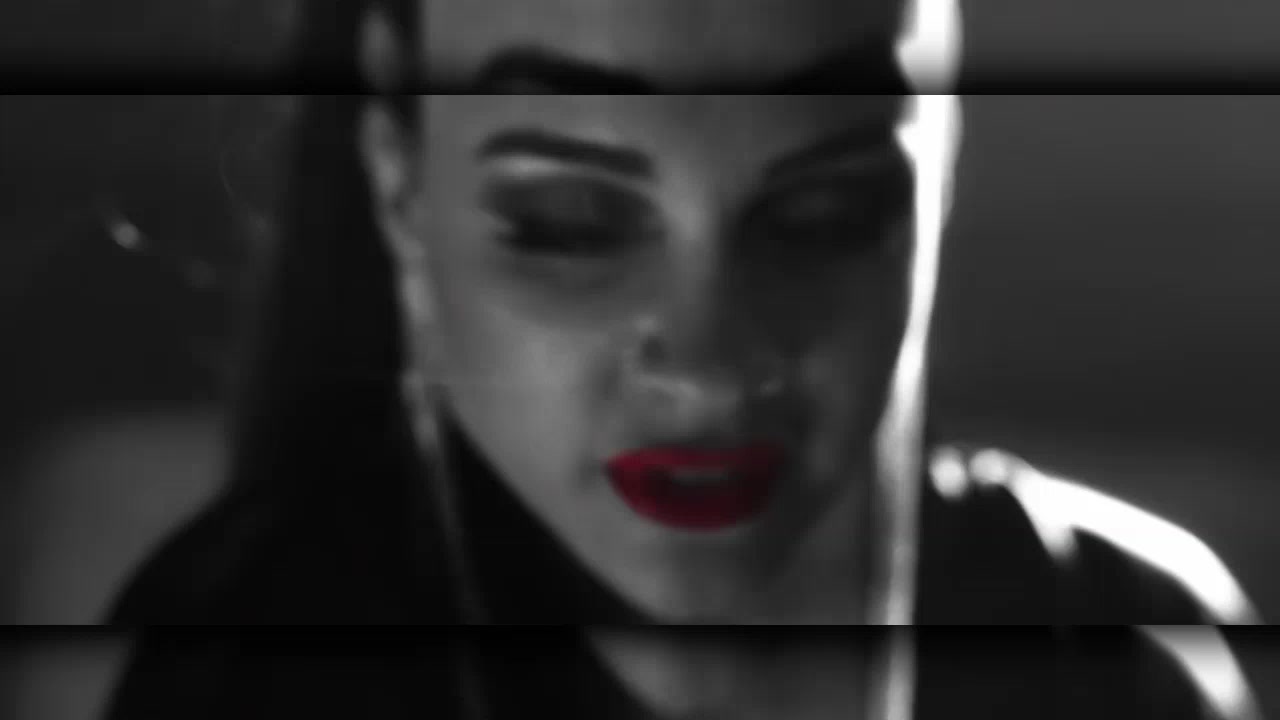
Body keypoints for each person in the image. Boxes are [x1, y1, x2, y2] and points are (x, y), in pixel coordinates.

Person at [100, 0, 1263, 719]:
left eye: (821, 215)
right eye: (567, 222)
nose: (706, 371)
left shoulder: (1115, 655)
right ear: (396, 170)